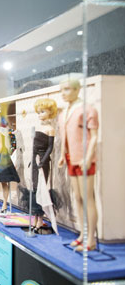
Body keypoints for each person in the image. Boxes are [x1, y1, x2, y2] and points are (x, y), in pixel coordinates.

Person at [57, 80, 99, 251]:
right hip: (70, 158)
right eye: (62, 90)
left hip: (84, 159)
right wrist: (61, 155)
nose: (64, 93)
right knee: (78, 198)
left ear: (77, 90)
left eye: (67, 89)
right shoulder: (64, 112)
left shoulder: (87, 109)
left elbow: (95, 136)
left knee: (88, 198)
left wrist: (88, 157)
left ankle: (91, 239)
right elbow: (64, 136)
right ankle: (83, 234)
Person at [29, 98, 58, 233]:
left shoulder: (50, 129)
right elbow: (34, 146)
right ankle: (35, 218)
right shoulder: (37, 127)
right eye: (38, 112)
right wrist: (32, 160)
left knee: (41, 189)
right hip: (34, 161)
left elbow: (50, 147)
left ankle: (40, 220)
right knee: (34, 189)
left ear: (50, 112)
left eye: (42, 111)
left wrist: (43, 161)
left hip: (43, 162)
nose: (40, 114)